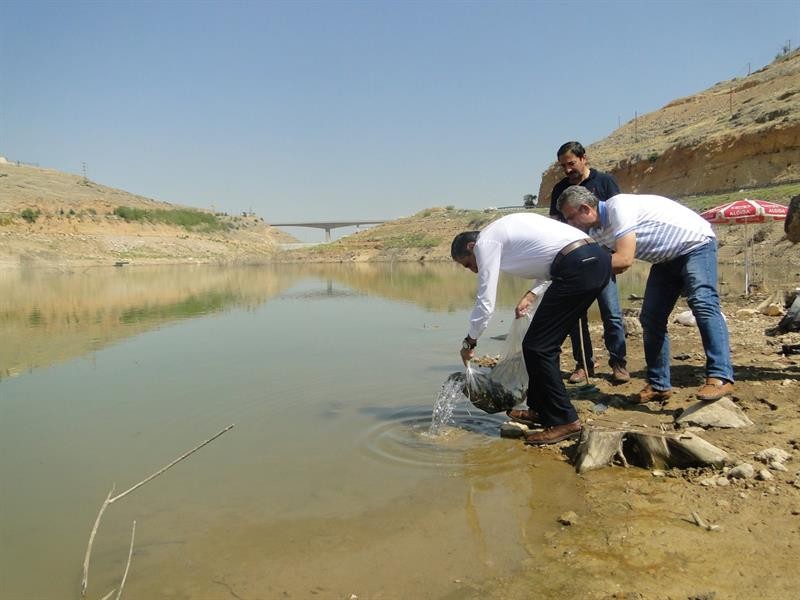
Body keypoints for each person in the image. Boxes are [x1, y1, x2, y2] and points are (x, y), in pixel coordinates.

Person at [557, 186, 735, 402]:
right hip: (664, 260)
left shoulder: (618, 207)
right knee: (651, 319)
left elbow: (623, 260)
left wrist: (578, 268)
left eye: (570, 218)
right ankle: (659, 384)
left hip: (695, 245)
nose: (569, 224)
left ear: (585, 209)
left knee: (703, 304)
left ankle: (720, 376)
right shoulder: (596, 233)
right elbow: (605, 266)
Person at [452, 212, 611, 445]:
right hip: (589, 260)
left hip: (579, 265)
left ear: (471, 246)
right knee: (537, 346)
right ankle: (540, 409)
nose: (472, 270)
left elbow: (485, 302)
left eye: (468, 263)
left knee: (540, 348)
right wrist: (532, 295)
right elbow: (551, 260)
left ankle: (566, 421)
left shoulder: (486, 242)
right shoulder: (501, 235)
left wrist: (470, 341)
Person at [550, 141, 629, 384]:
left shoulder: (604, 182)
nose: (567, 170)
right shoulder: (560, 189)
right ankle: (584, 364)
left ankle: (618, 363)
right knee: (576, 317)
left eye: (571, 163)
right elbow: (554, 225)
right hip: (576, 261)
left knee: (612, 313)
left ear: (584, 159)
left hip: (603, 258)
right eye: (563, 165)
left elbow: (619, 215)